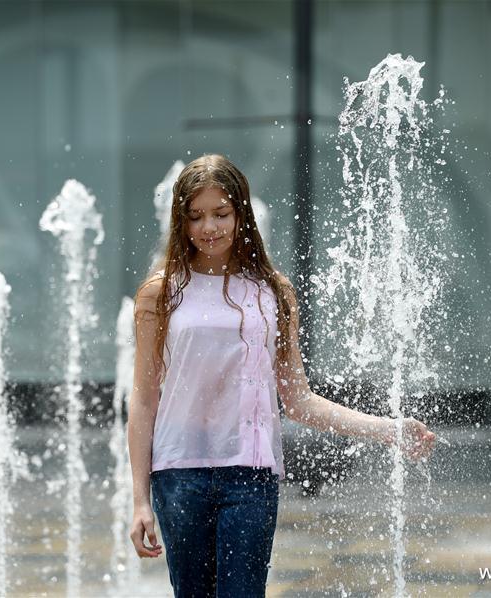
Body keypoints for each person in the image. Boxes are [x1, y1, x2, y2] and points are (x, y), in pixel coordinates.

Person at [127, 154, 435, 598]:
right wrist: (140, 500)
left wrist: (389, 429)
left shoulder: (273, 290)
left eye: (221, 214)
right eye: (195, 216)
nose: (208, 227)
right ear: (180, 220)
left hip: (251, 474)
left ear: (241, 214)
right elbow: (142, 400)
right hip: (179, 473)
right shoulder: (161, 292)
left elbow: (299, 400)